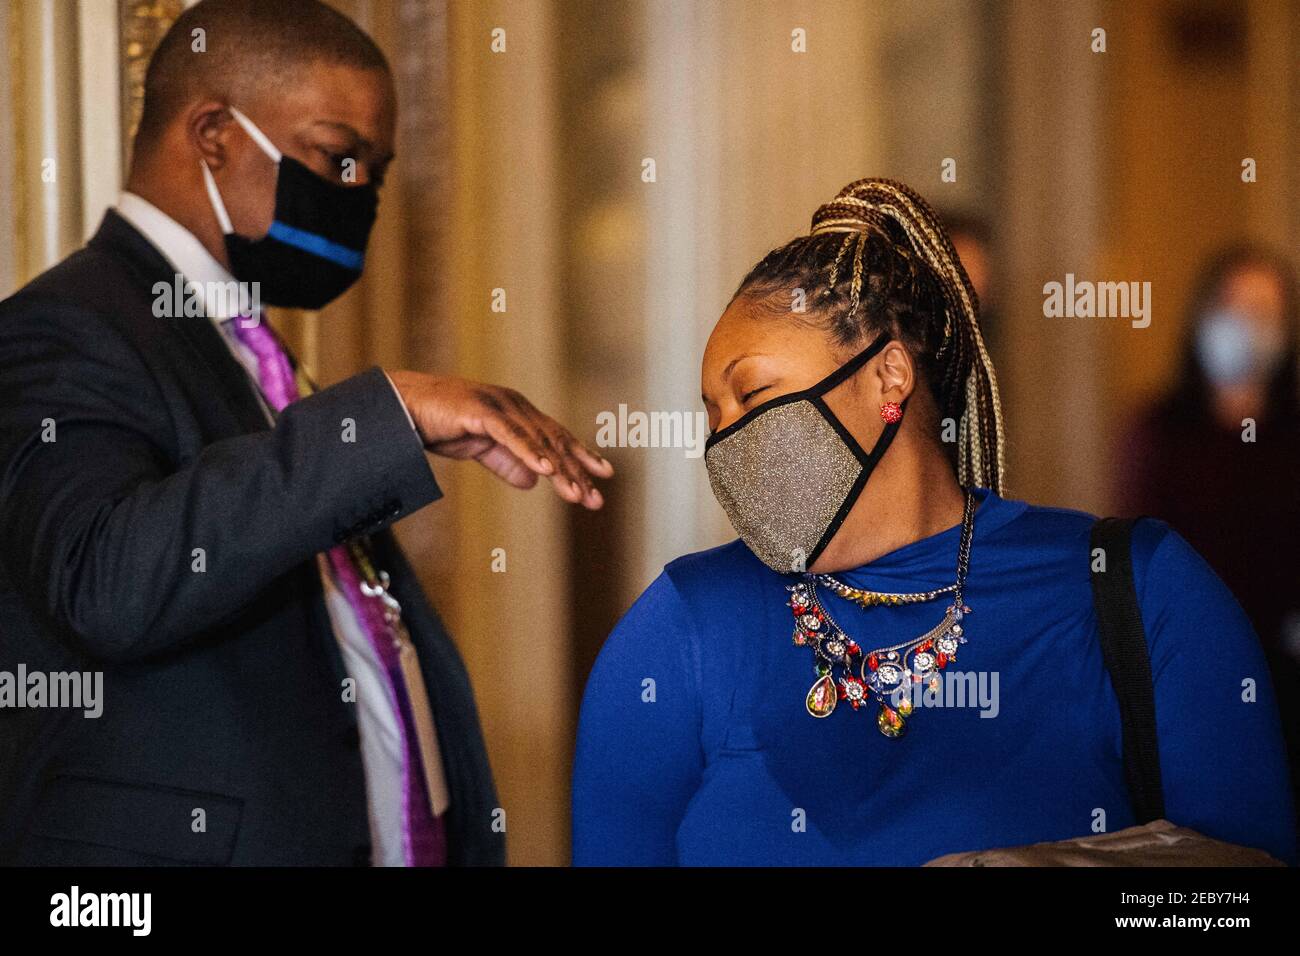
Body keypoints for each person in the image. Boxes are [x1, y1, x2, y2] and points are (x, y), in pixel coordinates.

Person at [0, 0, 610, 866]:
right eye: (339, 157)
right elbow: (103, 578)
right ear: (213, 132)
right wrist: (386, 413)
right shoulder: (59, 327)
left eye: (377, 170)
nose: (360, 193)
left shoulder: (249, 349)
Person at [571, 178, 1295, 866]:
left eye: (752, 393)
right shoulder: (675, 636)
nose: (727, 437)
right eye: (712, 413)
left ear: (889, 377)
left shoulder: (1137, 593)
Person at [1116, 243, 1300, 841]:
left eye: (1263, 311)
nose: (1246, 326)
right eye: (1232, 306)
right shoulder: (1159, 434)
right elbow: (1138, 561)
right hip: (1183, 680)